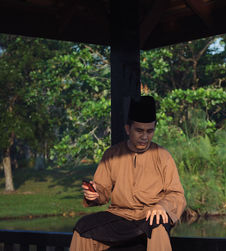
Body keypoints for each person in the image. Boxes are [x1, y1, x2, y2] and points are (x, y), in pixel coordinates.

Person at [70, 96, 186, 251]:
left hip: (149, 217)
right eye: (139, 131)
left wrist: (162, 206)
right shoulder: (112, 154)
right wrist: (95, 195)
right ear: (127, 129)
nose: (145, 137)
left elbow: (177, 194)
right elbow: (102, 190)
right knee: (83, 227)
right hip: (120, 216)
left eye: (150, 131)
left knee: (157, 224)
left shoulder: (163, 156)